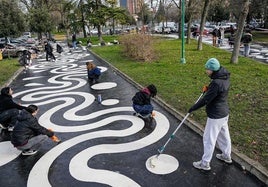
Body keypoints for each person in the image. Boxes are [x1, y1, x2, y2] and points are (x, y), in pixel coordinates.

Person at [188, 58, 232, 171]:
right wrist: (209, 89)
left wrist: (193, 108)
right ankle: (226, 156)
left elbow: (206, 100)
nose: (206, 71)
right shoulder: (224, 77)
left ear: (213, 69)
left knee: (209, 139)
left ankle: (205, 163)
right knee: (224, 135)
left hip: (216, 115)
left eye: (207, 69)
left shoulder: (216, 83)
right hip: (224, 113)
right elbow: (216, 92)